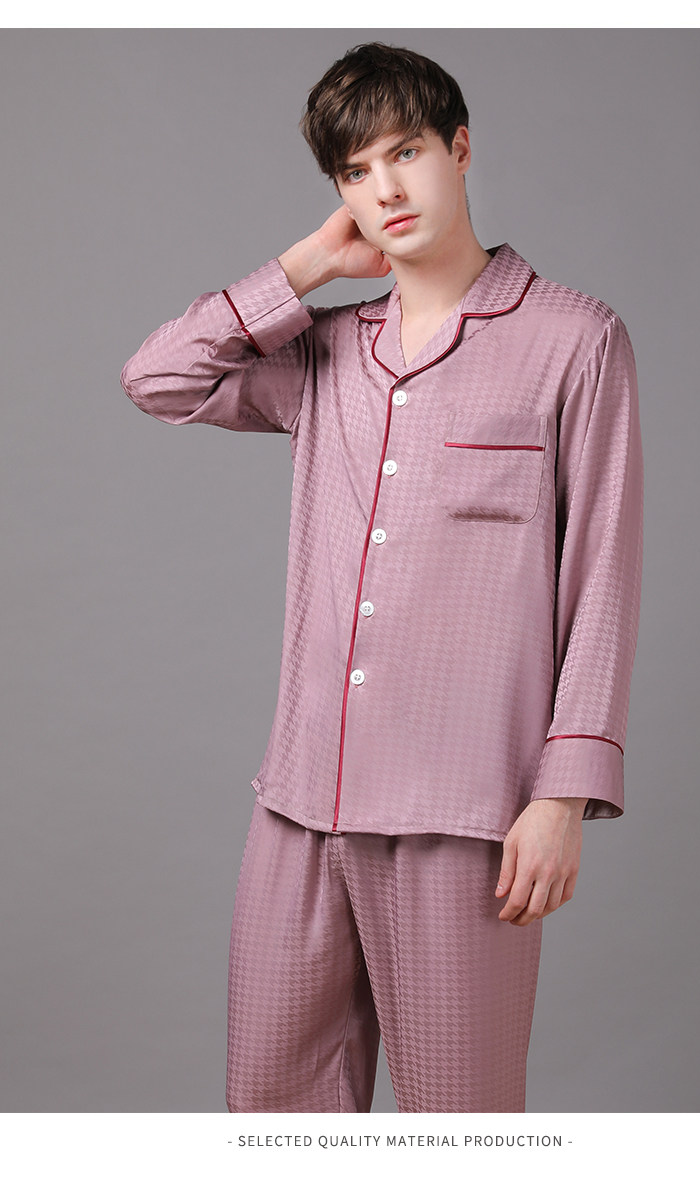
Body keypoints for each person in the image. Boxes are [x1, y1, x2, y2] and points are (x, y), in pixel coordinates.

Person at [120, 41, 644, 1114]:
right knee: (271, 1121)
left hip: (465, 811)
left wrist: (562, 794)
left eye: (406, 152)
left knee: (458, 1126)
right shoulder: (325, 353)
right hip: (300, 803)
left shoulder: (574, 341)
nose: (385, 189)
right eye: (355, 171)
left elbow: (602, 574)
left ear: (460, 148)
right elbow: (157, 377)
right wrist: (308, 265)